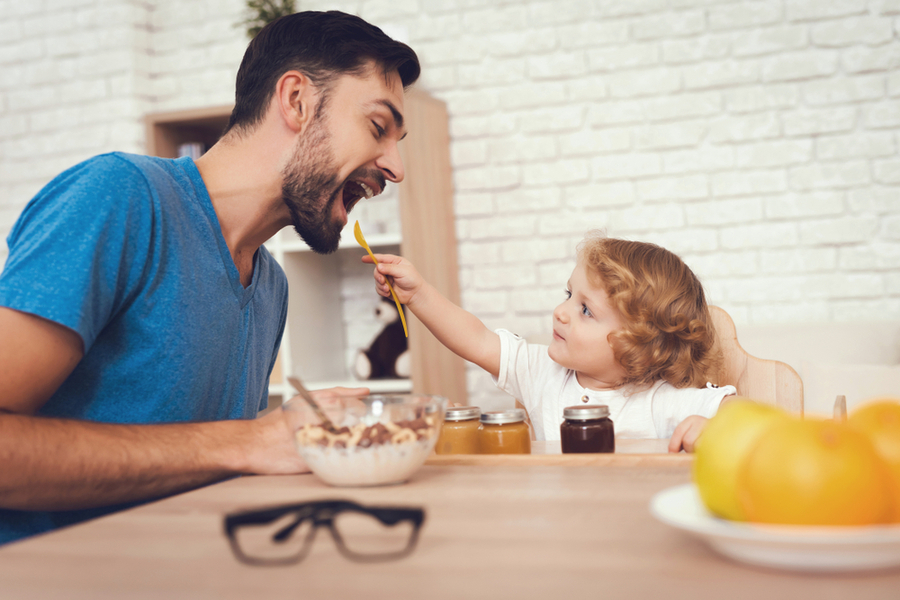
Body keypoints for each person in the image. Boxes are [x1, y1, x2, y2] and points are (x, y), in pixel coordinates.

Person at [0, 10, 420, 545]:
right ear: (296, 101)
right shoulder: (119, 198)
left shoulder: (271, 286)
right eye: (378, 128)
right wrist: (247, 443)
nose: (396, 168)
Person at [364, 231, 736, 453]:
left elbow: (738, 412)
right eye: (568, 294)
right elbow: (475, 339)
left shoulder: (659, 400)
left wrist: (713, 429)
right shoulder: (542, 371)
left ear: (639, 344)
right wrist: (418, 295)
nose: (561, 311)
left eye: (586, 310)